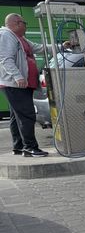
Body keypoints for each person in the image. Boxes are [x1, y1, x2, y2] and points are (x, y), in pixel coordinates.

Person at [0, 13, 70, 157]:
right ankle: (30, 148)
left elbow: (39, 48)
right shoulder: (6, 36)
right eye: (24, 23)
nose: (26, 26)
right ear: (17, 23)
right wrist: (18, 77)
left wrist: (60, 46)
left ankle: (19, 146)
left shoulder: (19, 38)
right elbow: (5, 59)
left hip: (22, 85)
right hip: (15, 84)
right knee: (27, 114)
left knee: (17, 116)